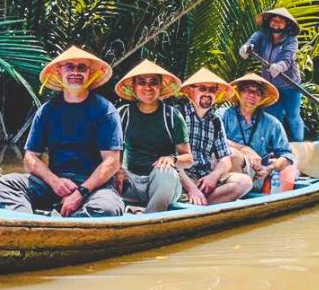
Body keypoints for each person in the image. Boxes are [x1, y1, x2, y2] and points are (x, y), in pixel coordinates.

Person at [0, 46, 124, 217]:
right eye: (69, 67)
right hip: (55, 183)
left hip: (94, 188)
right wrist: (55, 182)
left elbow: (112, 162)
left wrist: (81, 193)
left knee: (107, 209)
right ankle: (28, 227)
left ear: (90, 74)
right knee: (5, 184)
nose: (75, 72)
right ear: (59, 72)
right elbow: (30, 158)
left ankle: (68, 225)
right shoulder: (47, 111)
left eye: (81, 68)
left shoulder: (105, 110)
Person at [114, 60, 193, 213]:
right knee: (104, 172)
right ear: (134, 87)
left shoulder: (172, 116)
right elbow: (115, 152)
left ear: (160, 86)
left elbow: (188, 159)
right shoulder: (123, 114)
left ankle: (148, 216)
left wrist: (172, 159)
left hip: (162, 184)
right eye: (142, 82)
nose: (148, 88)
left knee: (165, 172)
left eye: (153, 82)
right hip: (132, 182)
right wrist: (117, 170)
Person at [177, 68, 253, 204]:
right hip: (181, 177)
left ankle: (200, 202)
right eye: (202, 89)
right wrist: (191, 188)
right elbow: (170, 160)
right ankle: (194, 199)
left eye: (212, 90)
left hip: (204, 178)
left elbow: (225, 158)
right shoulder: (177, 115)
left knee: (244, 182)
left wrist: (213, 176)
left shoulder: (215, 121)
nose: (207, 94)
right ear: (190, 91)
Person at [221, 73, 299, 194]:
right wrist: (244, 149)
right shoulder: (222, 115)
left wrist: (270, 168)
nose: (252, 95)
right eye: (247, 90)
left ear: (262, 98)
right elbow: (213, 139)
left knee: (233, 154)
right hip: (220, 171)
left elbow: (287, 155)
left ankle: (239, 195)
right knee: (231, 153)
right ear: (239, 92)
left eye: (257, 92)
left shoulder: (272, 123)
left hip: (256, 175)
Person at [239, 7, 305, 141]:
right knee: (273, 117)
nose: (277, 23)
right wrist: (245, 49)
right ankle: (275, 145)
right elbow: (249, 45)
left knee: (293, 116)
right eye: (274, 20)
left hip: (290, 85)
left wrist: (280, 66)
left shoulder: (291, 40)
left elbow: (288, 58)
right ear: (269, 22)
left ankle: (299, 143)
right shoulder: (261, 35)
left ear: (286, 24)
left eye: (281, 21)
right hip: (271, 86)